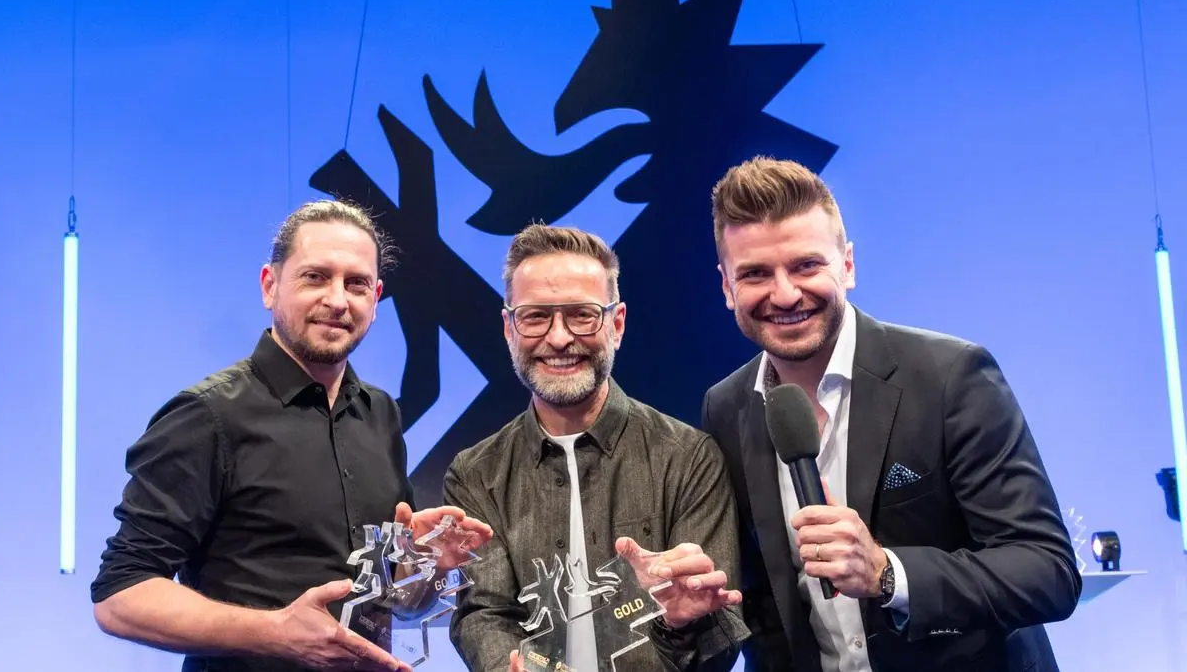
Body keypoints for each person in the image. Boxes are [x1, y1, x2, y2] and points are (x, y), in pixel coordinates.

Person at [701, 158, 1081, 672]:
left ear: (847, 265)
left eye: (806, 265)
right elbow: (764, 601)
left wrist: (887, 572)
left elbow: (1047, 572)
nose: (785, 294)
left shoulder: (950, 376)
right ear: (727, 287)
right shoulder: (725, 407)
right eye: (756, 274)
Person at [90, 200, 492, 672]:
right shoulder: (208, 415)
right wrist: (275, 632)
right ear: (270, 285)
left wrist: (418, 564)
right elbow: (120, 595)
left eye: (357, 284)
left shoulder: (380, 413)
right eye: (315, 277)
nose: (338, 300)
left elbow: (388, 598)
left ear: (376, 297)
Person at [443, 224, 749, 671]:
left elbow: (720, 643)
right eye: (535, 316)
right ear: (509, 328)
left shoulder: (688, 457)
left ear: (616, 324)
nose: (559, 337)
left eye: (582, 315)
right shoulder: (474, 474)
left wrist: (681, 623)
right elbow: (484, 613)